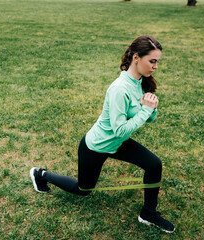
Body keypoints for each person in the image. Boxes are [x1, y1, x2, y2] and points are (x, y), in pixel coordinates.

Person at [30, 35, 175, 233]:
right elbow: (120, 129)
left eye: (157, 62)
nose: (155, 66)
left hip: (118, 143)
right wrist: (146, 110)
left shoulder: (140, 82)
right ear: (136, 58)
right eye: (152, 61)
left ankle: (148, 214)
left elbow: (148, 118)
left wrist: (151, 107)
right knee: (83, 189)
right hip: (97, 146)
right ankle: (40, 174)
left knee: (154, 164)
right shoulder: (118, 89)